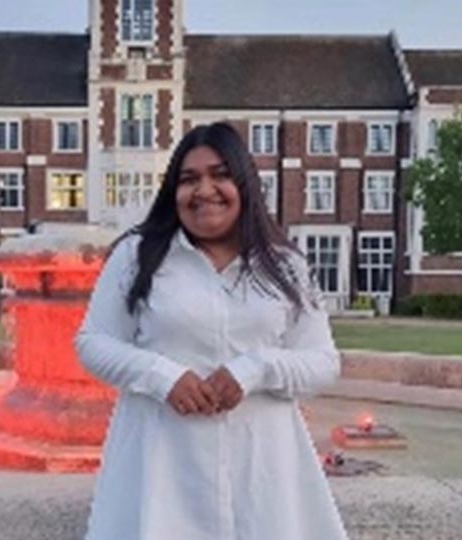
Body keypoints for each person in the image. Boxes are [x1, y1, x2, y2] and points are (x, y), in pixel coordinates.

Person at [75, 122, 349, 540]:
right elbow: (94, 342)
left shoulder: (285, 266)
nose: (204, 190)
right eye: (188, 179)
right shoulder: (139, 255)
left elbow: (322, 362)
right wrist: (163, 377)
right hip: (162, 465)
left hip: (263, 467)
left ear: (244, 182)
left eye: (220, 174)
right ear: (173, 192)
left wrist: (255, 369)